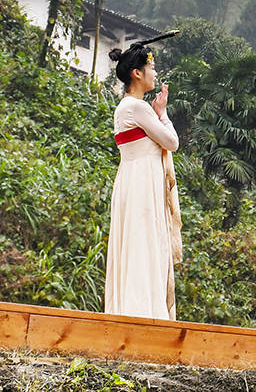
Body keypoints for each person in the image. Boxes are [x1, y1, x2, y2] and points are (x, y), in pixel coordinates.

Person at [104, 37, 182, 319]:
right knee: (144, 246)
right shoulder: (138, 108)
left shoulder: (125, 107)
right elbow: (171, 142)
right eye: (151, 67)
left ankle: (135, 311)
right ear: (137, 73)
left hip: (134, 182)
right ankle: (144, 314)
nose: (155, 72)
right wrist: (162, 113)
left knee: (137, 245)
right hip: (142, 186)